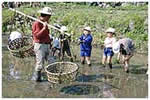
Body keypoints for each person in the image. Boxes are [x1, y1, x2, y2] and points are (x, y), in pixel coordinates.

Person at [32, 7, 52, 82]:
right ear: (46, 16)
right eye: (49, 16)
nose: (50, 18)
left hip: (46, 45)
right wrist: (44, 28)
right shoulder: (37, 23)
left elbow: (47, 34)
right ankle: (38, 80)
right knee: (40, 64)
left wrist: (50, 42)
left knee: (50, 62)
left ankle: (50, 78)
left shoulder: (45, 23)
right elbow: (37, 35)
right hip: (40, 45)